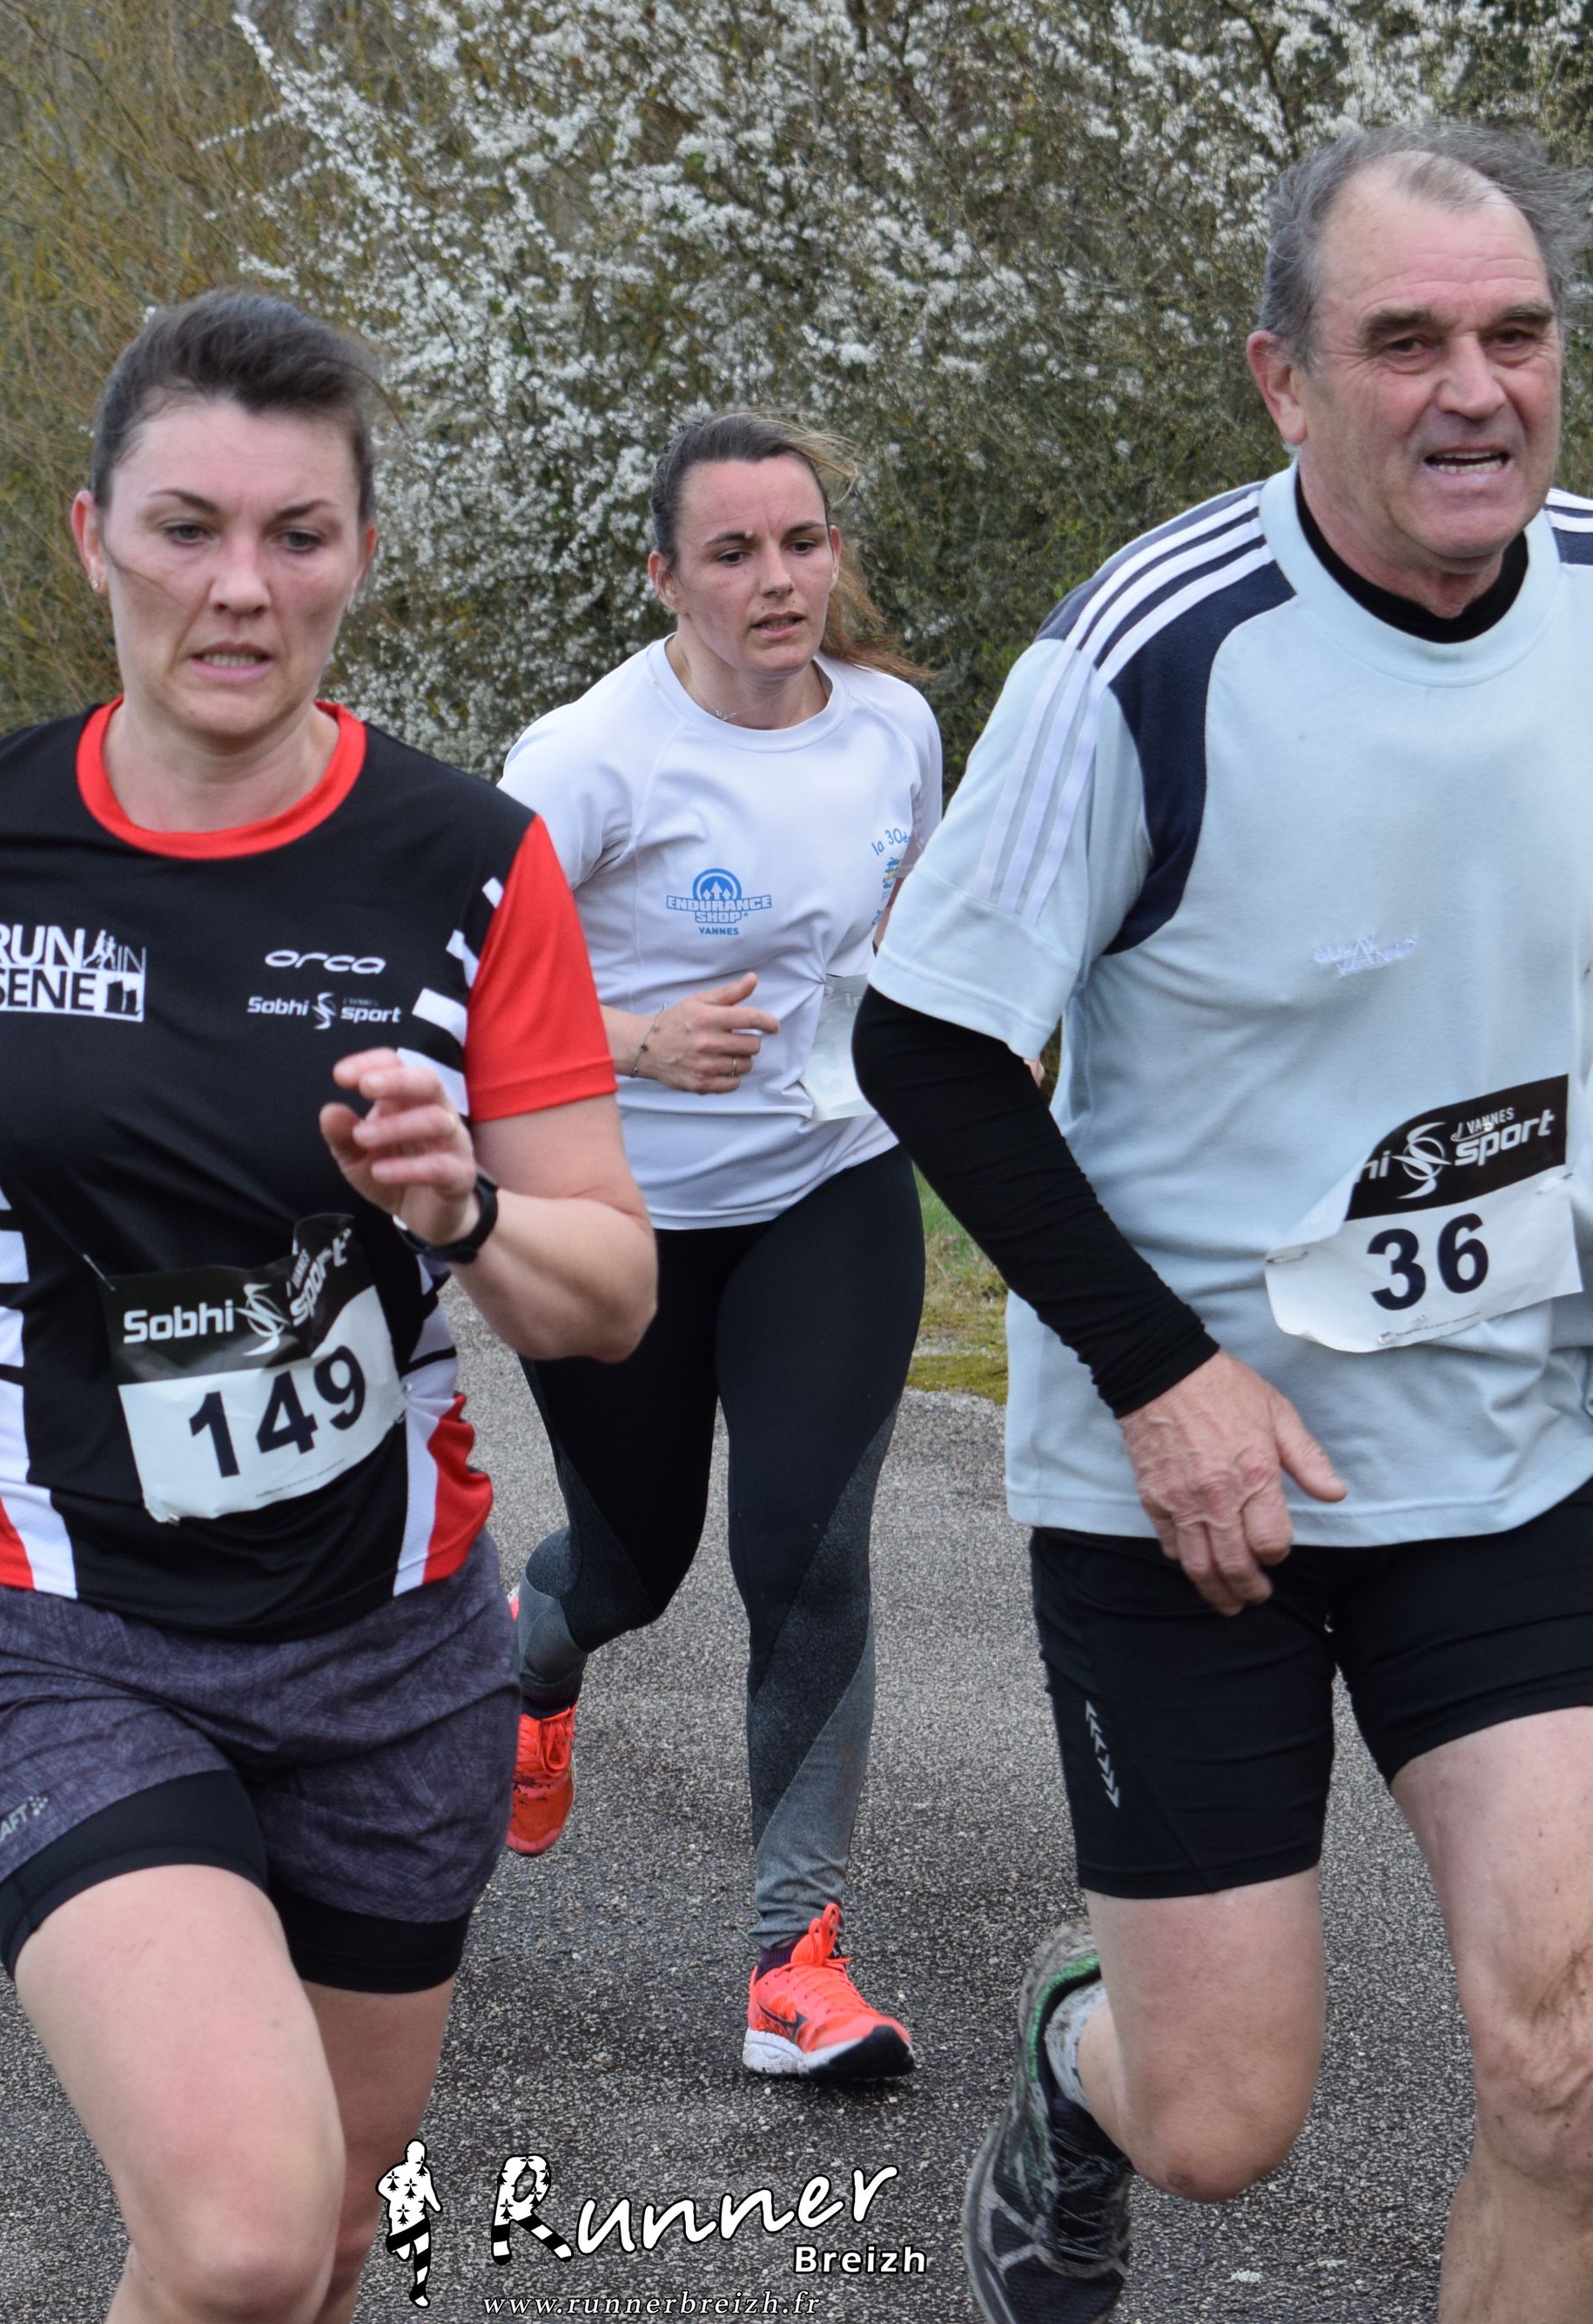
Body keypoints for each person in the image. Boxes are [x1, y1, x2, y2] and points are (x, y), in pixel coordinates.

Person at [854, 125, 1593, 2324]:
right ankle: (1075, 2073)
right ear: (1282, 381)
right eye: (1403, 343)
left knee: (1579, 2059)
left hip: (1500, 1445)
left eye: (1514, 334)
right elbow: (925, 1043)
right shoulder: (1151, 652)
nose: (1472, 392)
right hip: (1194, 1484)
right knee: (1217, 2123)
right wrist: (1161, 1376)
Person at [0, 289, 655, 2324]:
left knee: (322, 2242)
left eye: (295, 535)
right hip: (51, 1621)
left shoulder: (466, 863)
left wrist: (465, 1203)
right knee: (242, 2234)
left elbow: (606, 1293)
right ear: (93, 540)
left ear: (358, 555)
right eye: (185, 529)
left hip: (393, 1654)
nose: (240, 588)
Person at [495, 412, 943, 2081]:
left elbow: (902, 934)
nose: (778, 579)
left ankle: (793, 1961)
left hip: (832, 1188)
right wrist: (634, 1041)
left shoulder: (895, 729)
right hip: (619, 1221)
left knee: (808, 1557)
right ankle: (529, 1661)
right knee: (636, 1566)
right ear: (663, 574)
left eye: (803, 543)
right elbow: (463, 992)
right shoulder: (590, 759)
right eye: (735, 551)